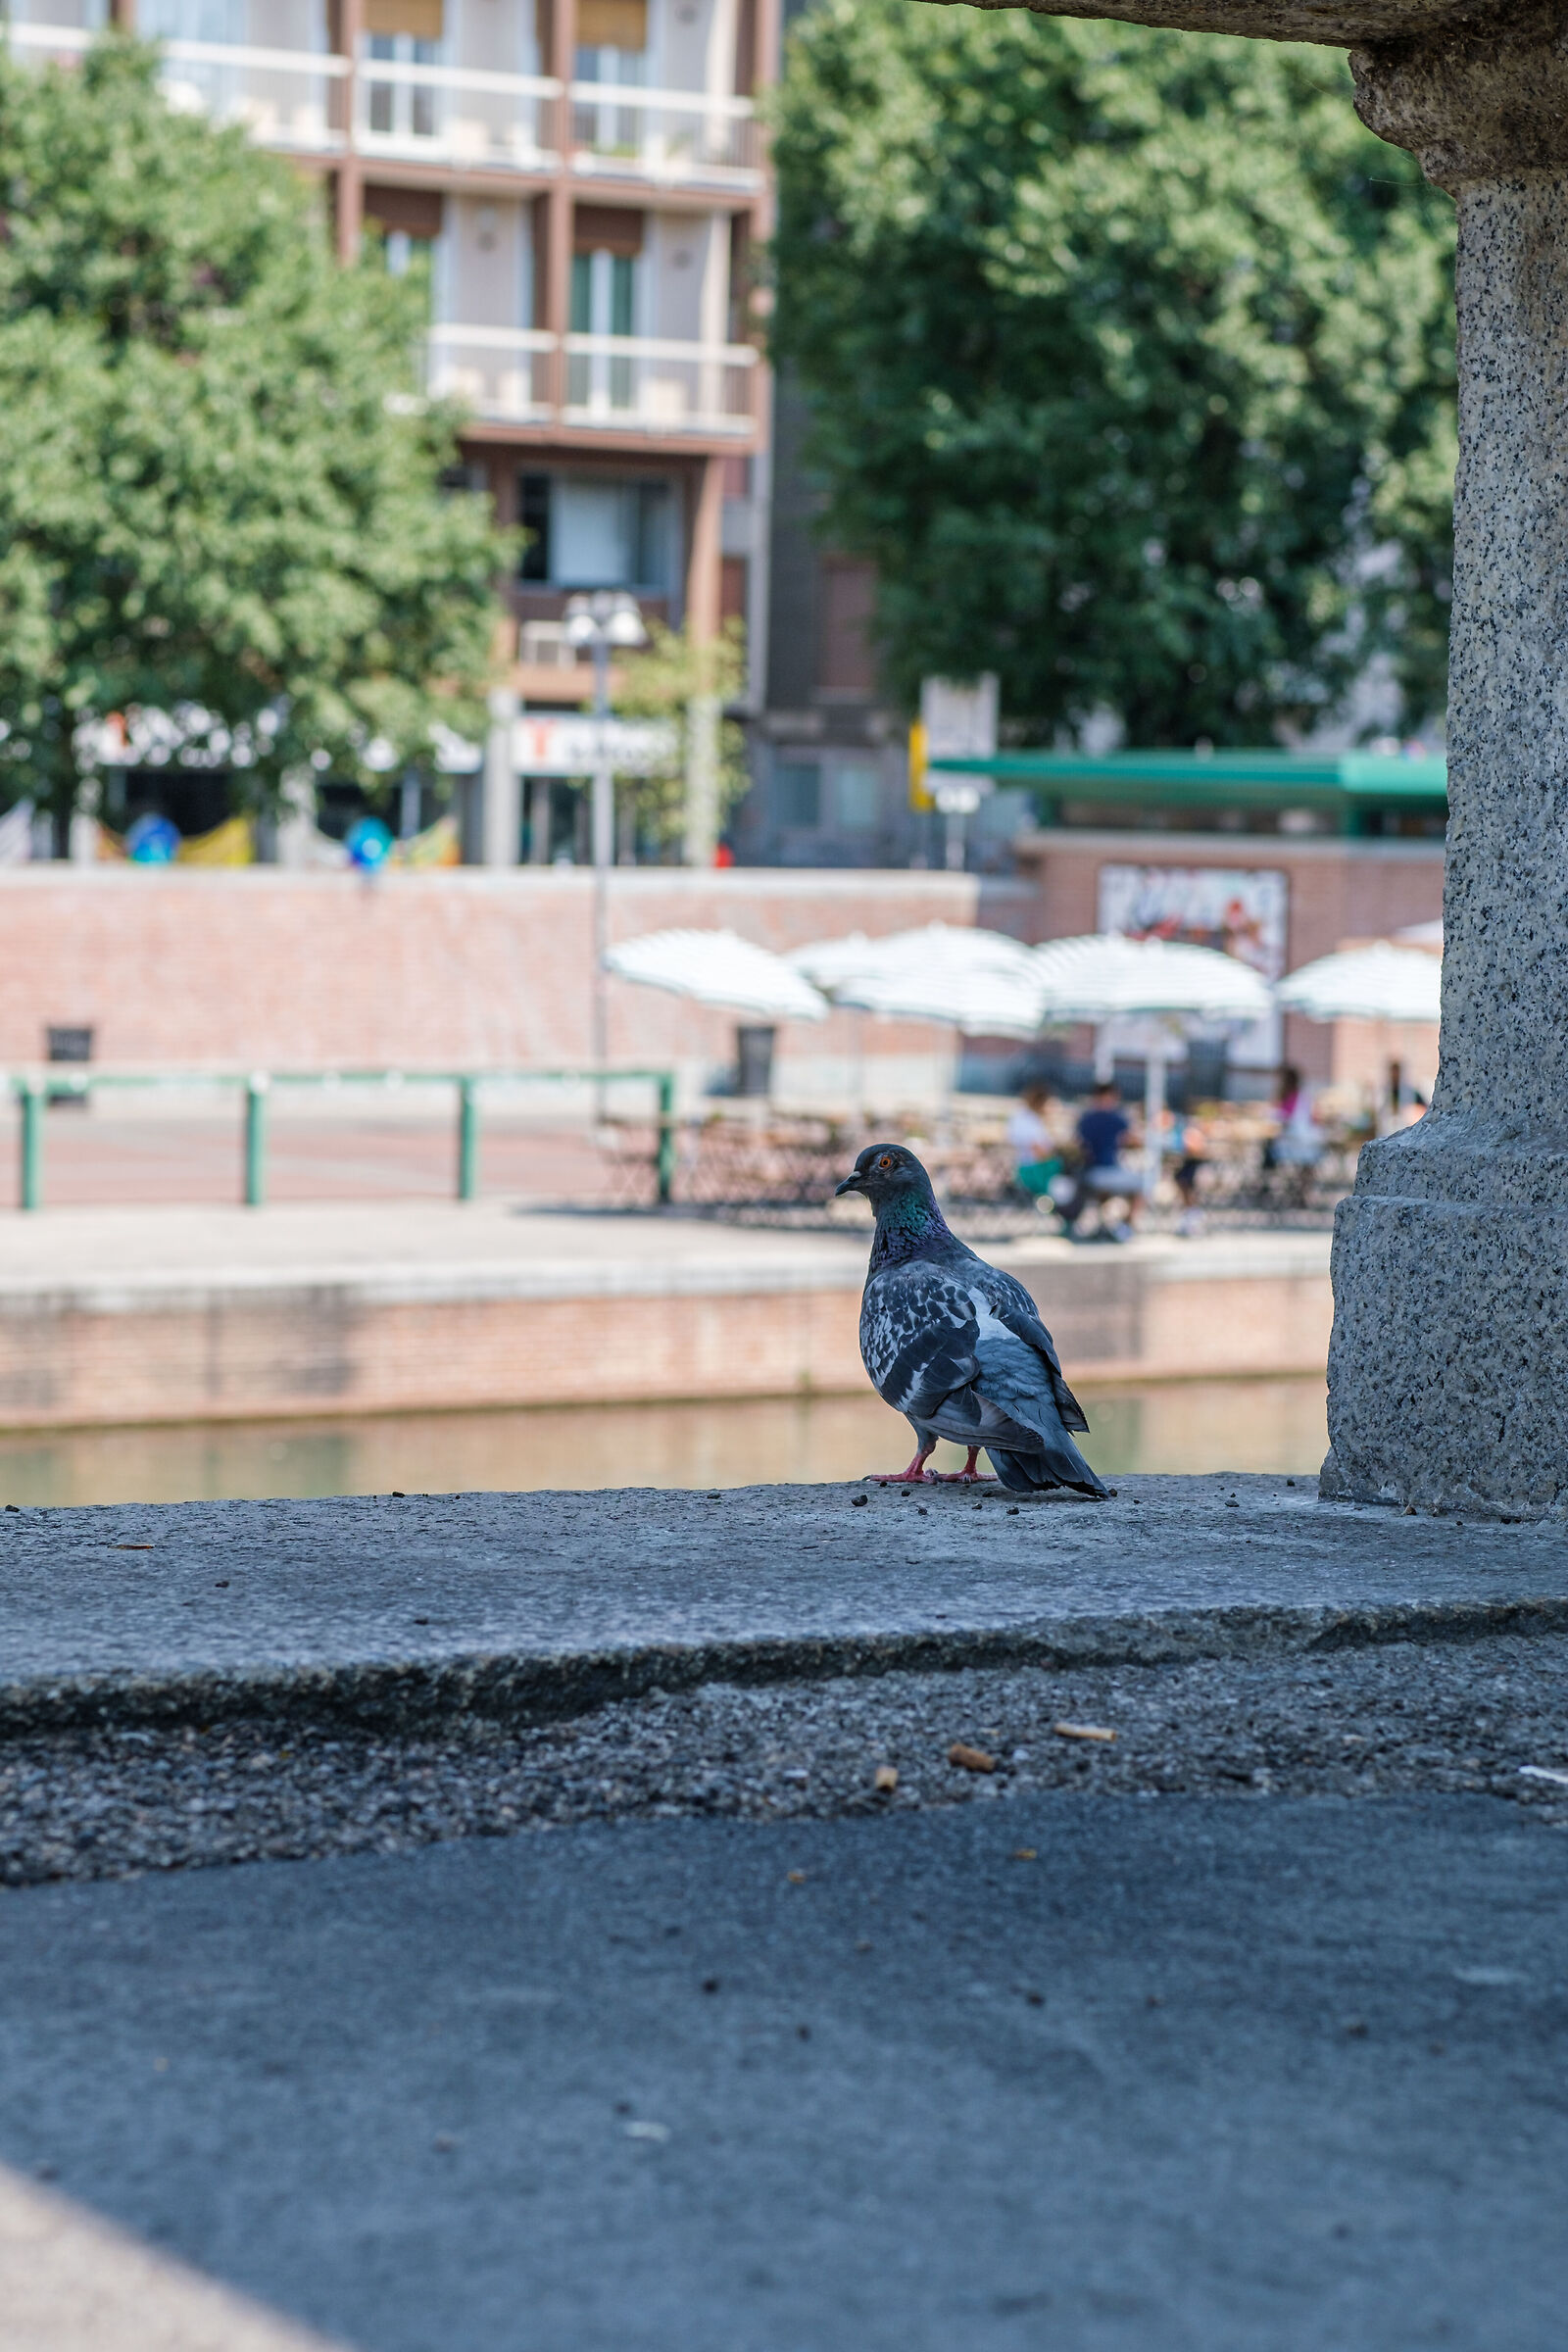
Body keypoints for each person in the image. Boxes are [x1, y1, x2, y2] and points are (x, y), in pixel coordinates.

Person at [1075, 1080, 1141, 1239]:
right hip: (1105, 1171)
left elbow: (1076, 1144)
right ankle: (1126, 1227)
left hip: (1086, 1173)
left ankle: (1104, 1225)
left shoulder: (1085, 1118)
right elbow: (1133, 1140)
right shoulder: (1116, 1119)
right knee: (1142, 1185)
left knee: (1105, 1191)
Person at [1006, 1084, 1064, 1209]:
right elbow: (1039, 1150)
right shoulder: (1028, 1120)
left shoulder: (1023, 1117)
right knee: (1068, 1183)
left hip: (1030, 1167)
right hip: (1037, 1171)